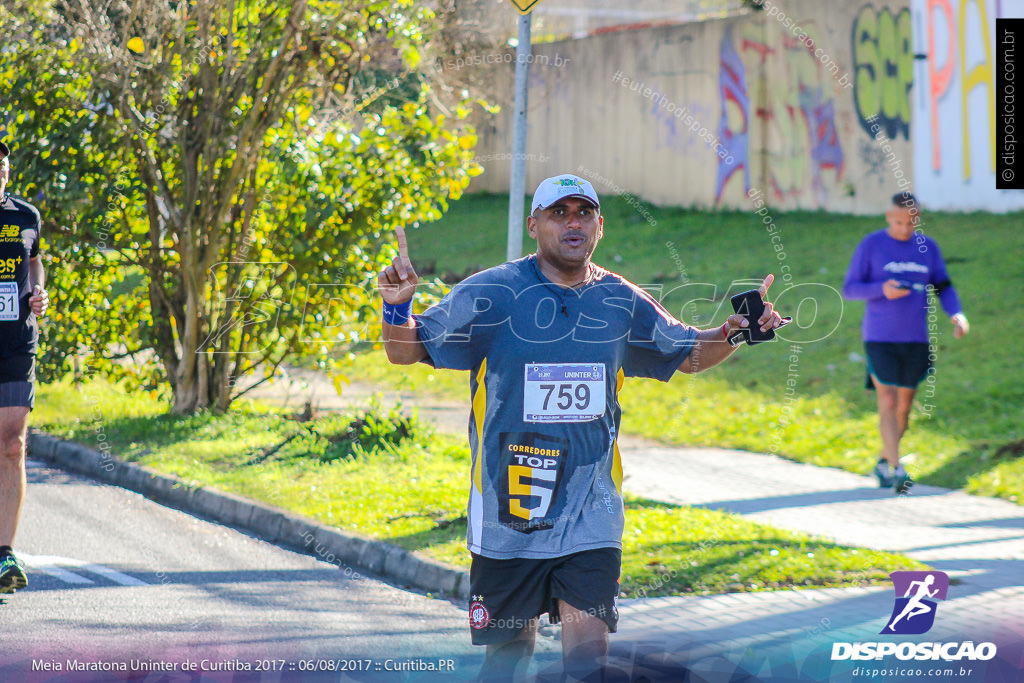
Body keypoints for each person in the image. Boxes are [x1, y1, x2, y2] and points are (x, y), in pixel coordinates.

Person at [379, 173, 784, 680]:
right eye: (558, 213)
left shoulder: (619, 299)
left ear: (599, 225)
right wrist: (397, 306)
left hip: (590, 509)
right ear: (534, 225)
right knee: (507, 659)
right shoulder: (492, 292)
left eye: (584, 212)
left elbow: (687, 353)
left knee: (590, 658)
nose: (573, 223)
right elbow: (405, 349)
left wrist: (738, 330)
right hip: (509, 511)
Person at [842, 192, 968, 495]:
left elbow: (943, 285)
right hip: (879, 337)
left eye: (911, 223)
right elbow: (850, 289)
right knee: (886, 401)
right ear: (889, 217)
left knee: (904, 409)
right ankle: (898, 469)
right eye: (899, 222)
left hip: (915, 339)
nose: (904, 228)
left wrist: (957, 314)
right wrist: (882, 289)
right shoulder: (871, 244)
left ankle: (885, 462)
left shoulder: (927, 248)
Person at [0, 140, 49, 594]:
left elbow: (35, 267)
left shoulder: (25, 216)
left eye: (2, 166)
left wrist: (39, 294)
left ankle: (4, 554)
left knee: (13, 445)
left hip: (16, 341)